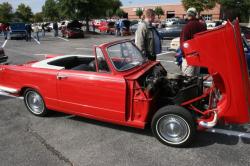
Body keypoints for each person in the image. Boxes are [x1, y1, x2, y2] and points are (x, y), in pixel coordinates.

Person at [180, 7, 207, 76]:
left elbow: (184, 43)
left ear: (188, 15)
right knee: (196, 79)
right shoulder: (202, 26)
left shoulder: (187, 27)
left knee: (188, 81)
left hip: (189, 58)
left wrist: (184, 55)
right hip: (199, 57)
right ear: (195, 15)